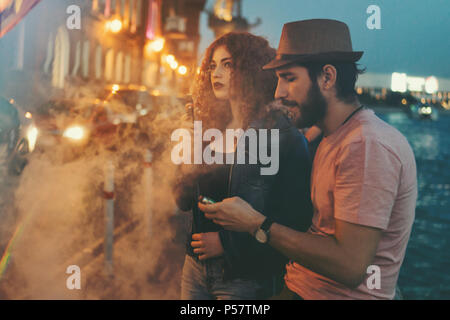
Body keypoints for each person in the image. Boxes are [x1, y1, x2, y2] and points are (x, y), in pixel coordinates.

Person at [199, 19, 418, 300]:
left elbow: (350, 265)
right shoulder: (335, 136)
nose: (278, 92)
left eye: (289, 78)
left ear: (327, 78)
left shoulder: (365, 145)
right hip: (299, 287)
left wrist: (256, 224)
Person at [173, 32, 313, 300]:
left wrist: (227, 244)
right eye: (212, 66)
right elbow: (182, 200)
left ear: (251, 70)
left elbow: (294, 220)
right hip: (194, 269)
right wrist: (187, 153)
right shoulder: (208, 129)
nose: (217, 73)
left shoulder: (283, 137)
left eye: (227, 65)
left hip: (245, 278)